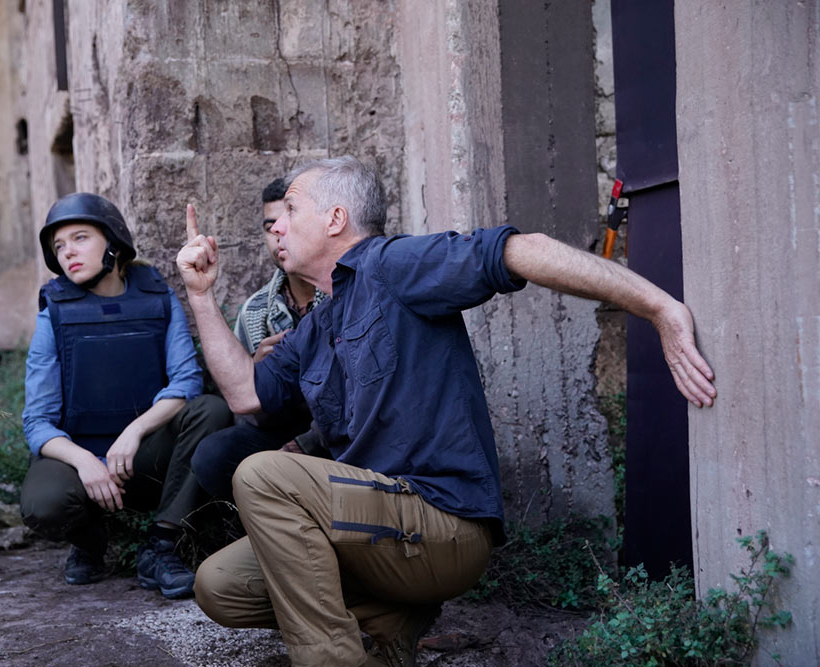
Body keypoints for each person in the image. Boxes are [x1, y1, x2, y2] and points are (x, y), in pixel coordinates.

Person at [176, 156, 717, 666]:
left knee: (264, 476)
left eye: (291, 209)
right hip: (374, 527)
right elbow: (246, 394)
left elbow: (519, 250)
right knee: (220, 585)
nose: (276, 225)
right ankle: (392, 624)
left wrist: (659, 307)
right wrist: (201, 295)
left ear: (335, 218)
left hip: (441, 522)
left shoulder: (391, 265)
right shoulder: (318, 325)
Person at [20, 192, 231, 596]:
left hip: (145, 455)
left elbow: (186, 383)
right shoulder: (55, 311)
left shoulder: (157, 297)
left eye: (80, 238)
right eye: (59, 246)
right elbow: (37, 421)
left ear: (113, 242)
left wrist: (134, 432)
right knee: (42, 504)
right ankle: (90, 541)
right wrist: (85, 462)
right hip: (80, 460)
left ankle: (162, 544)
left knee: (212, 411)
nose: (68, 253)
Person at [191, 178, 327, 501]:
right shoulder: (256, 310)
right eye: (270, 226)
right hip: (283, 433)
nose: (279, 233)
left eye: (289, 219)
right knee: (214, 455)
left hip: (342, 436)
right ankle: (264, 525)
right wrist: (255, 375)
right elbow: (252, 415)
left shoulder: (341, 293)